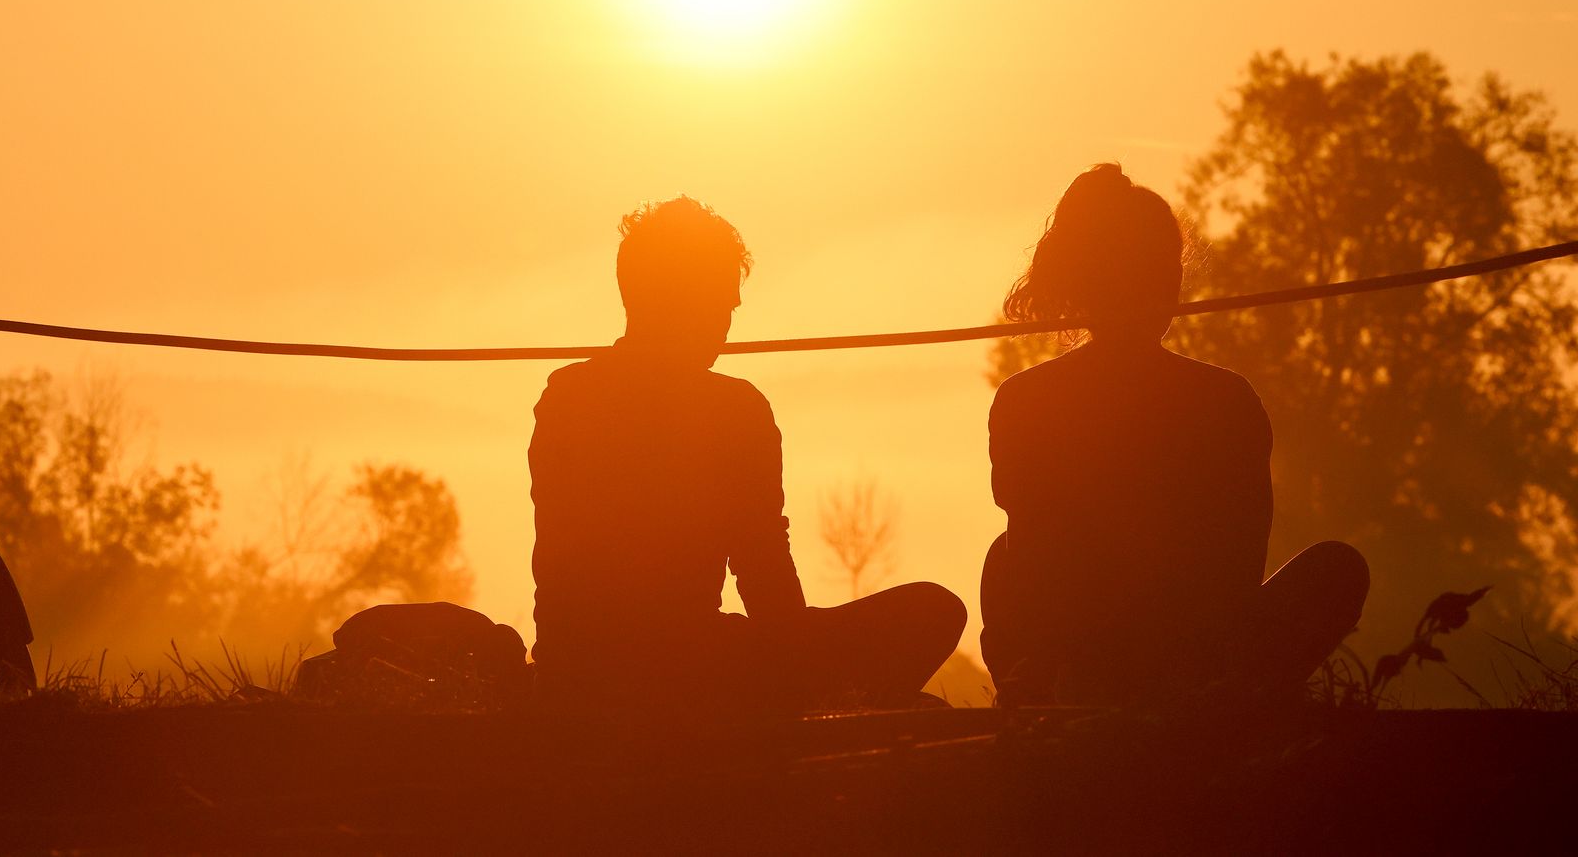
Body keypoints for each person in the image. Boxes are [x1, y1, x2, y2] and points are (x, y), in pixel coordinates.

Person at [529, 196, 966, 710]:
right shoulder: (733, 409)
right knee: (932, 610)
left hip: (574, 665)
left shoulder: (564, 397)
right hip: (693, 666)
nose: (726, 324)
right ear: (691, 302)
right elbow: (763, 570)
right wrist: (801, 664)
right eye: (722, 304)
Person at [981, 164, 1370, 706]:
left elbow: (1033, 561)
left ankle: (1054, 695)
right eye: (1151, 269)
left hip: (1089, 660)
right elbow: (1240, 565)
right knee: (1337, 572)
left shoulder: (1024, 398)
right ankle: (1204, 700)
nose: (1166, 285)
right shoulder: (1226, 398)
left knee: (1002, 561)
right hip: (1196, 662)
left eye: (1168, 268)